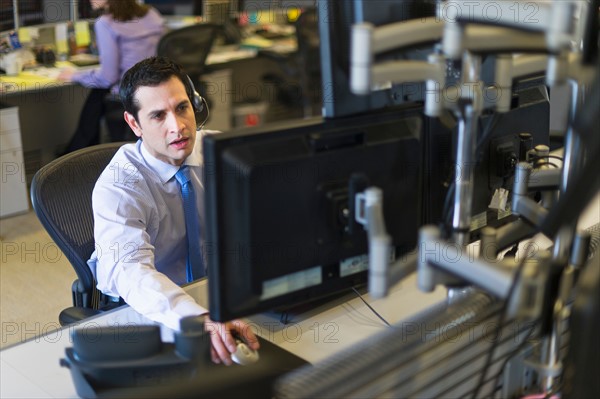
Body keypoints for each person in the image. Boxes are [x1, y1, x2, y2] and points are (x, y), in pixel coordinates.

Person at [87, 56, 259, 365]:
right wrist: (196, 318)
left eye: (182, 108)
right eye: (157, 116)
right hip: (153, 307)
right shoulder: (118, 185)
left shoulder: (223, 154)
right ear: (134, 124)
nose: (177, 127)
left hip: (218, 293)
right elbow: (129, 270)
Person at [58, 0, 164, 153]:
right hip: (155, 91)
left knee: (96, 100)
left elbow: (108, 77)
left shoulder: (105, 23)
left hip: (127, 95)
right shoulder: (151, 14)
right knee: (95, 100)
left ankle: (79, 156)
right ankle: (79, 153)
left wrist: (75, 75)